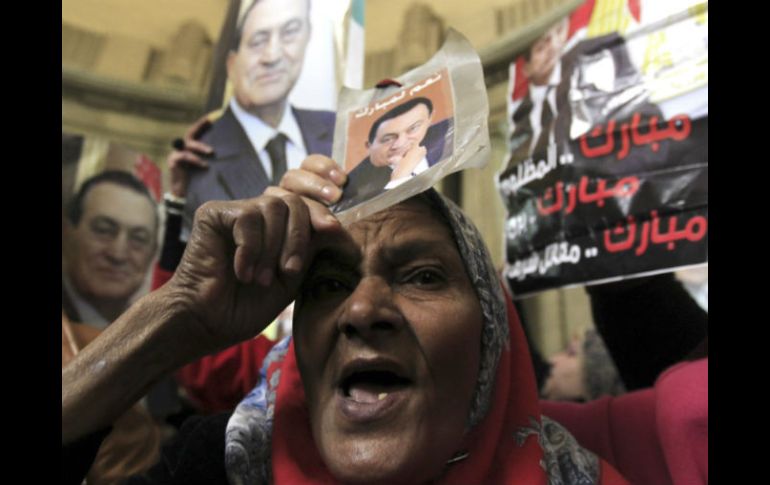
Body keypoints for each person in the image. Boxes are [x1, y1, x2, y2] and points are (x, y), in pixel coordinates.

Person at [62, 157, 629, 485]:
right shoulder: (219, 465)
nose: (360, 311)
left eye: (423, 277)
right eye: (329, 284)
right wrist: (178, 313)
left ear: (491, 337)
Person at [180, 0, 336, 239]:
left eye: (290, 32)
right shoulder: (200, 157)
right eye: (258, 40)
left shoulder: (336, 128)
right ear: (232, 64)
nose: (272, 56)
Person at [63, 170, 158, 327]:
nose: (118, 254)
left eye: (138, 239)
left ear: (152, 253)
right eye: (103, 230)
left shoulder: (148, 330)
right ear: (67, 233)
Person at [335, 96, 452, 211]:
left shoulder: (450, 133)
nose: (401, 144)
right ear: (369, 147)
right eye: (388, 139)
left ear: (430, 119)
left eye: (413, 129)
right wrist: (400, 177)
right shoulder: (353, 186)